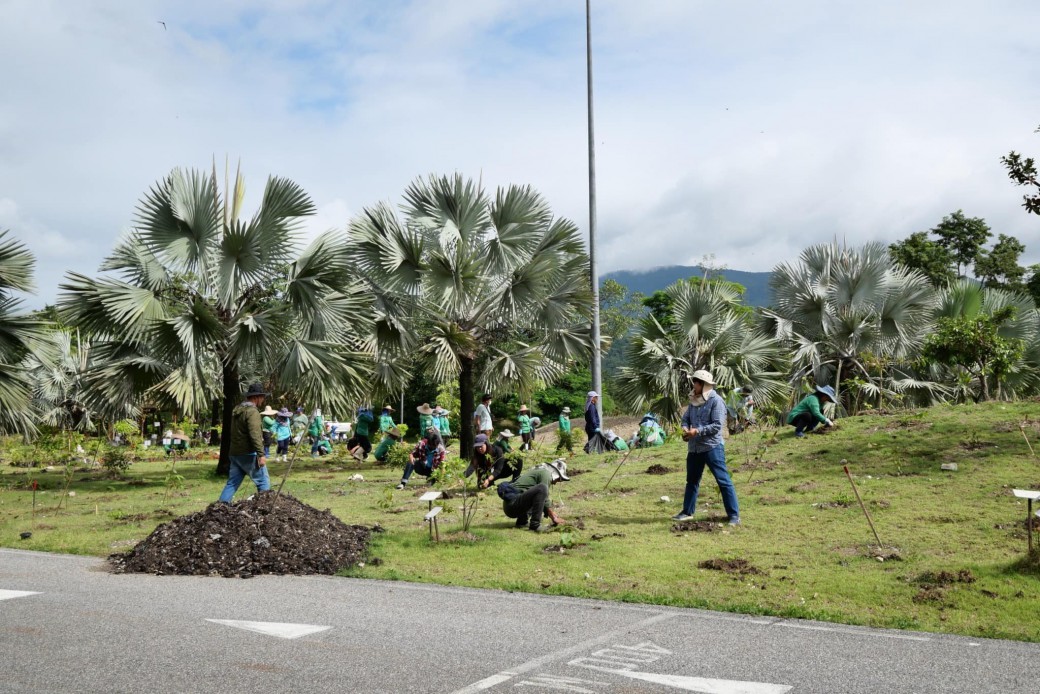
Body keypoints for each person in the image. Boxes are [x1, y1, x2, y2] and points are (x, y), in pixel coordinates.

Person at [673, 370, 740, 526]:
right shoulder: (693, 400)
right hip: (694, 448)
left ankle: (734, 516)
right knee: (692, 481)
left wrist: (697, 431)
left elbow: (717, 425)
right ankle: (687, 512)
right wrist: (685, 429)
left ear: (703, 385)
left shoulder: (716, 401)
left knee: (723, 480)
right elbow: (685, 419)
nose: (693, 386)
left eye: (695, 383)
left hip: (712, 447)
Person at [218, 383, 271, 503]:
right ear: (256, 397)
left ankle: (220, 507)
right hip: (248, 453)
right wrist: (261, 454)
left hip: (235, 453)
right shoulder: (252, 412)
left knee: (232, 483)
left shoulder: (237, 410)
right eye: (262, 397)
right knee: (263, 481)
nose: (263, 400)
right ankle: (266, 507)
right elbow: (255, 434)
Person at [496, 459, 568, 532]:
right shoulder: (546, 474)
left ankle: (522, 522)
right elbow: (545, 498)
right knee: (542, 488)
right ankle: (535, 525)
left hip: (510, 506)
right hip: (512, 505)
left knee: (536, 492)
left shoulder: (540, 471)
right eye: (558, 479)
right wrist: (554, 517)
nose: (555, 483)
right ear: (555, 473)